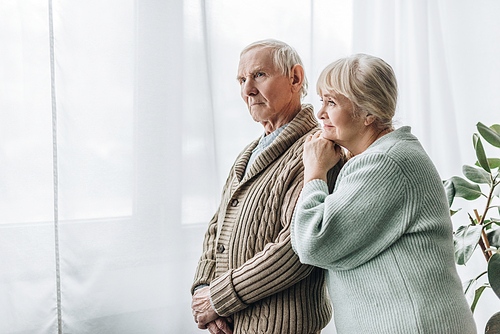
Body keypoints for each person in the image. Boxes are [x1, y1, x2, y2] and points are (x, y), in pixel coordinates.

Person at [290, 54, 477, 334]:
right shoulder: (382, 157)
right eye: (321, 101)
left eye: (332, 102)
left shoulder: (387, 162)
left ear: (369, 112)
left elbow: (313, 242)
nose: (320, 114)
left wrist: (314, 172)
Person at [190, 39, 343, 334]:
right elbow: (216, 226)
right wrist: (204, 290)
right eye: (241, 79)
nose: (247, 89)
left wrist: (218, 299)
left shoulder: (318, 150)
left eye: (259, 75)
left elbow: (297, 248)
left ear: (295, 78)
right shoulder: (249, 151)